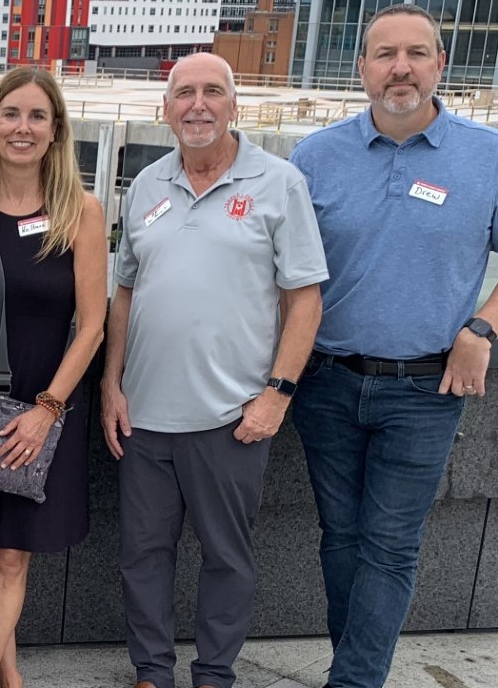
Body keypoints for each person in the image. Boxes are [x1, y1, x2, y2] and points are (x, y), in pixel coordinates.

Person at [287, 4, 498, 688]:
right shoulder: (313, 157)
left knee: (391, 545)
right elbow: (276, 271)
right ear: (361, 69)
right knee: (340, 539)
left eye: (414, 53)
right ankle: (356, 669)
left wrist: (481, 329)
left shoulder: (489, 157)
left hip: (427, 390)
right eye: (383, 54)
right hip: (325, 382)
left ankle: (353, 681)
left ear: (439, 64)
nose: (399, 67)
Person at [101, 53, 328, 688]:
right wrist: (110, 384)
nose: (197, 105)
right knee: (142, 556)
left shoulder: (279, 182)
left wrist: (277, 395)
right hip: (144, 416)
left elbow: (304, 298)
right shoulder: (145, 184)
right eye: (184, 94)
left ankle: (215, 675)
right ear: (166, 108)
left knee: (227, 557)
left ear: (234, 106)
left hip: (232, 417)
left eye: (212, 93)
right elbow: (124, 291)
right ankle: (151, 672)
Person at [0, 66, 107, 688]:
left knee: (11, 554)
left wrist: (49, 407)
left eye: (37, 116)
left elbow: (92, 325)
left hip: (44, 409)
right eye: (11, 114)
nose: (23, 128)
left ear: (56, 130)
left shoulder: (80, 213)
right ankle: (11, 677)